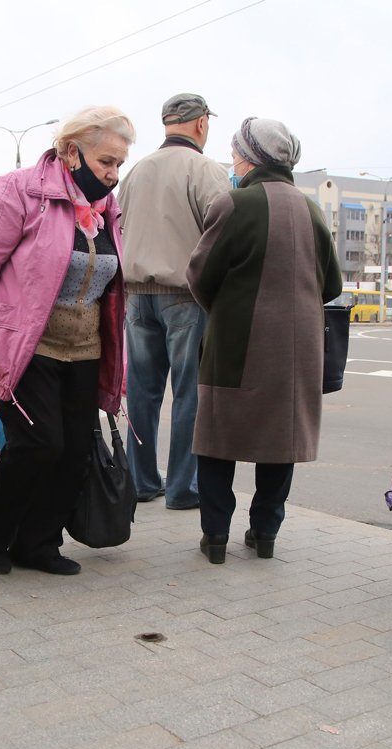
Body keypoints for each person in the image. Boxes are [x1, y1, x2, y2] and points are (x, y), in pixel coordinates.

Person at [0, 106, 135, 576]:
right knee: (40, 444)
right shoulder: (22, 191)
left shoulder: (106, 209)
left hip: (86, 348)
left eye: (119, 164)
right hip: (27, 345)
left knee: (74, 450)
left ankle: (40, 544)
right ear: (72, 151)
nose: (114, 175)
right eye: (106, 162)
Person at [186, 117, 343, 564]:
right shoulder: (311, 209)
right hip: (297, 348)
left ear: (250, 156)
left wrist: (228, 306)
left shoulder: (235, 203)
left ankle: (216, 536)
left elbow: (200, 274)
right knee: (281, 439)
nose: (233, 159)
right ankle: (265, 532)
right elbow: (330, 284)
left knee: (218, 438)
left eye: (236, 151)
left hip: (235, 342)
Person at [117, 92, 229, 511]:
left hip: (136, 296)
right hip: (185, 296)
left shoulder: (136, 170)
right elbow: (221, 234)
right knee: (189, 395)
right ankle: (184, 488)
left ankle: (141, 481)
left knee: (142, 395)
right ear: (201, 123)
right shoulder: (205, 169)